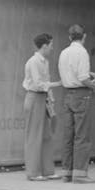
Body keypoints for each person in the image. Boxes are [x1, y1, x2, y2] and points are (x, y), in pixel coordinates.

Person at [58, 24, 95, 183]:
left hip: (67, 95)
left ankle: (66, 172)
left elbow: (69, 73)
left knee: (68, 135)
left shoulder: (64, 52)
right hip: (82, 95)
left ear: (69, 37)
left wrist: (88, 76)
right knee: (82, 135)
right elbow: (83, 78)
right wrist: (94, 85)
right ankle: (80, 174)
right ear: (84, 37)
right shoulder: (82, 52)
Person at [22, 33, 62, 181]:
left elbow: (46, 81)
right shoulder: (33, 62)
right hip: (34, 98)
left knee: (46, 135)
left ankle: (47, 170)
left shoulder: (45, 61)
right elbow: (38, 84)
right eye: (51, 45)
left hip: (43, 99)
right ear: (44, 46)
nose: (52, 48)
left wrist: (51, 98)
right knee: (34, 136)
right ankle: (33, 172)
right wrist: (57, 84)